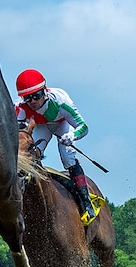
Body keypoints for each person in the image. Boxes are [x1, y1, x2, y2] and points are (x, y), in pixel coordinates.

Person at [14, 68, 97, 221]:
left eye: (36, 96)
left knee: (67, 157)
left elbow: (83, 127)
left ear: (44, 91)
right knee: (28, 156)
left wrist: (72, 136)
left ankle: (86, 203)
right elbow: (17, 130)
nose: (33, 101)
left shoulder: (61, 102)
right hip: (41, 126)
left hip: (62, 124)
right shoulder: (20, 107)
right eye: (27, 98)